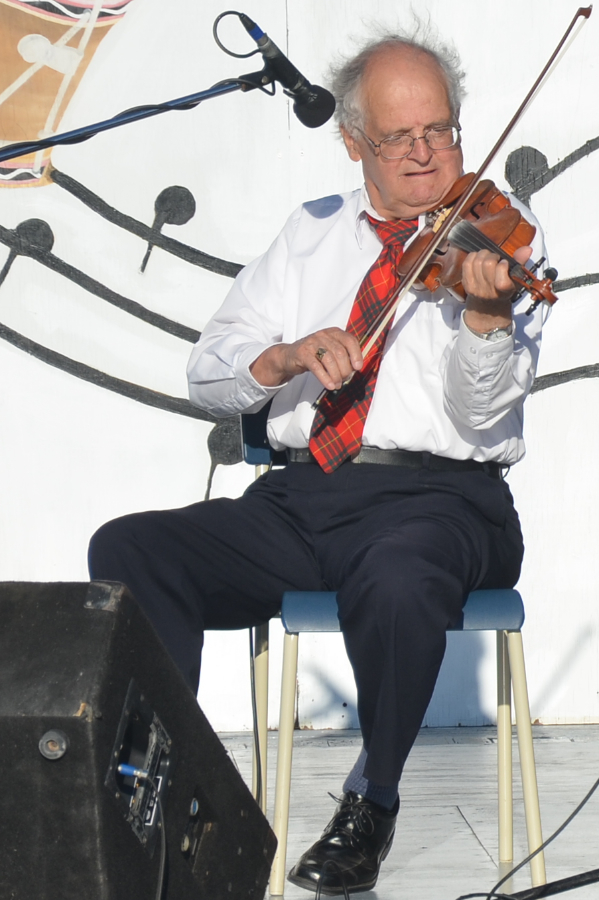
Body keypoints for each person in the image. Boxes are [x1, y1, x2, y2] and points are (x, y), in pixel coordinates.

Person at [89, 27, 547, 896]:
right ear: (352, 144)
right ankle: (168, 791)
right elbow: (210, 371)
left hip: (443, 501)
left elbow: (482, 416)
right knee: (131, 549)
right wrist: (284, 358)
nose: (423, 155)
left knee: (400, 574)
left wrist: (484, 322)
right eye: (397, 138)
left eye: (439, 132)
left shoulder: (498, 244)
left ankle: (370, 802)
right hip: (304, 501)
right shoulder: (310, 233)